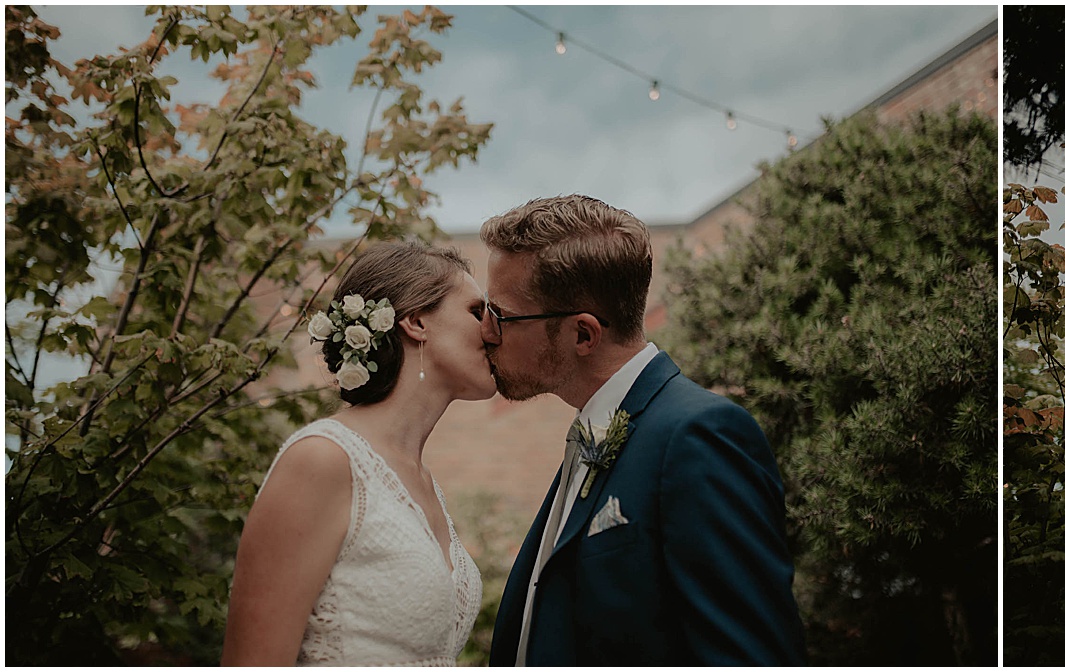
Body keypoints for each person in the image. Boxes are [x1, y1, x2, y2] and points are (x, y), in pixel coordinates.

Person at [480, 195, 805, 665]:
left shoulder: (700, 437)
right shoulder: (591, 434)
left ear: (583, 335)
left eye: (502, 316)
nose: (488, 332)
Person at [223, 242, 493, 665]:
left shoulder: (425, 483)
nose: (493, 330)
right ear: (417, 321)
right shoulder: (323, 460)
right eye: (477, 312)